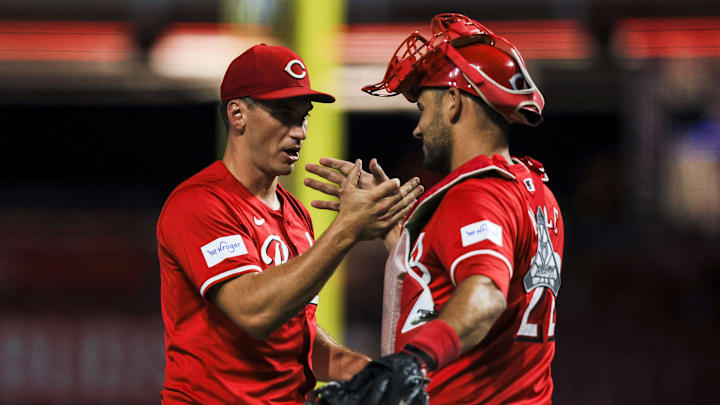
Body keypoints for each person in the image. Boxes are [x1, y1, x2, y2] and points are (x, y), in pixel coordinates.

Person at [305, 13, 564, 404]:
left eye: (423, 109)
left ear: (454, 103)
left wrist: (413, 361)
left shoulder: (475, 194)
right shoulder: (534, 192)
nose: (418, 128)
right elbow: (443, 286)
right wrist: (395, 229)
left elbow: (486, 294)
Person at [156, 43, 424, 404]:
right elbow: (253, 313)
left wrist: (362, 371)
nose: (299, 131)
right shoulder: (200, 203)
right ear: (237, 114)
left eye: (304, 116)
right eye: (284, 114)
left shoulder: (296, 214)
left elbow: (294, 338)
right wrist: (346, 229)